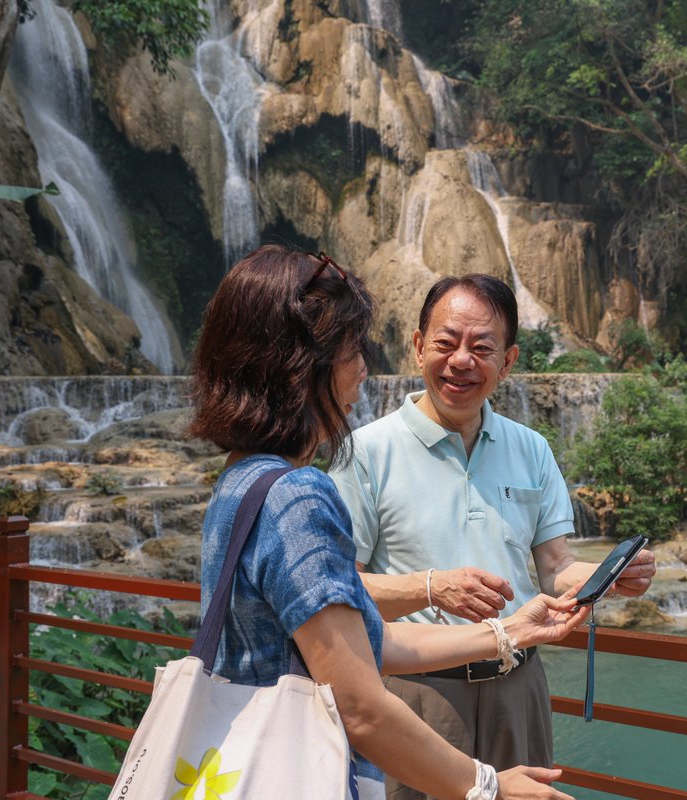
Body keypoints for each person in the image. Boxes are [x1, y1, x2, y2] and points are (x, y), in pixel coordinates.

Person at [188, 244, 591, 800]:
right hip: (295, 763)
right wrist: (489, 786)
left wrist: (509, 632)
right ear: (305, 367)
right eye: (354, 350)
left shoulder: (242, 478)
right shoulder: (298, 494)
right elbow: (360, 704)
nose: (363, 369)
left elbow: (361, 640)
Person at [329, 274, 657, 799]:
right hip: (417, 691)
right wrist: (433, 586)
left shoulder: (532, 448)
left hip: (518, 681)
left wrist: (605, 579)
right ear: (418, 347)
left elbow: (554, 564)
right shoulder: (363, 452)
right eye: (446, 342)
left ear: (507, 363)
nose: (462, 361)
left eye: (482, 348)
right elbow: (341, 587)